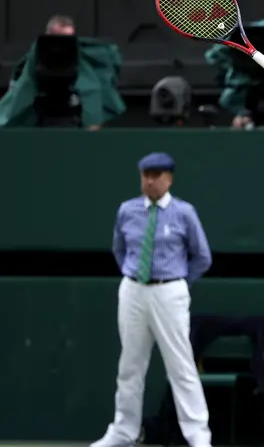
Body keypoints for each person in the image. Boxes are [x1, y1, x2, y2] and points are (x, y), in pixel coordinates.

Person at [92, 152, 214, 447]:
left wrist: (177, 284)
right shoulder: (127, 211)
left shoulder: (184, 213)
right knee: (130, 364)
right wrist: (133, 276)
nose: (150, 181)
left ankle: (198, 435)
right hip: (133, 290)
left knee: (181, 365)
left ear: (169, 179)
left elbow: (202, 256)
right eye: (145, 175)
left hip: (169, 291)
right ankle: (123, 431)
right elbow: (119, 249)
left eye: (156, 175)